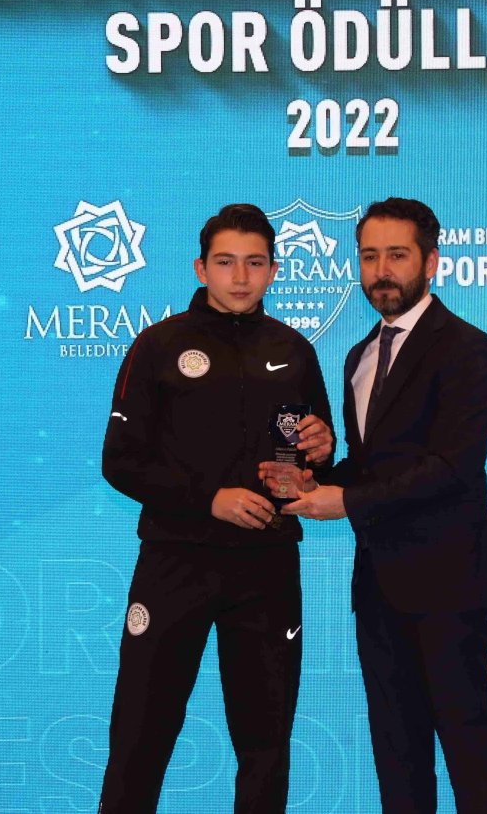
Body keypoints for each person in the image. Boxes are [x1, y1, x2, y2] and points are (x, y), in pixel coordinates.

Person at [282, 197, 487, 814]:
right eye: (369, 256)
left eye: (397, 255)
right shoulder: (358, 357)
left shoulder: (466, 347)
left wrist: (346, 500)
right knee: (396, 749)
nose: (381, 271)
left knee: (466, 740)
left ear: (431, 262)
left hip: (450, 583)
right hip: (378, 587)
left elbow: (451, 467)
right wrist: (317, 470)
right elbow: (373, 468)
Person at [98, 203, 334, 814]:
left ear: (274, 271)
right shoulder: (157, 346)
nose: (241, 276)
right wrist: (209, 500)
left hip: (267, 568)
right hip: (175, 562)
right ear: (201, 269)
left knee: (265, 743)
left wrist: (322, 452)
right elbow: (121, 462)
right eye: (226, 262)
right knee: (140, 734)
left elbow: (313, 460)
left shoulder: (294, 350)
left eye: (255, 263)